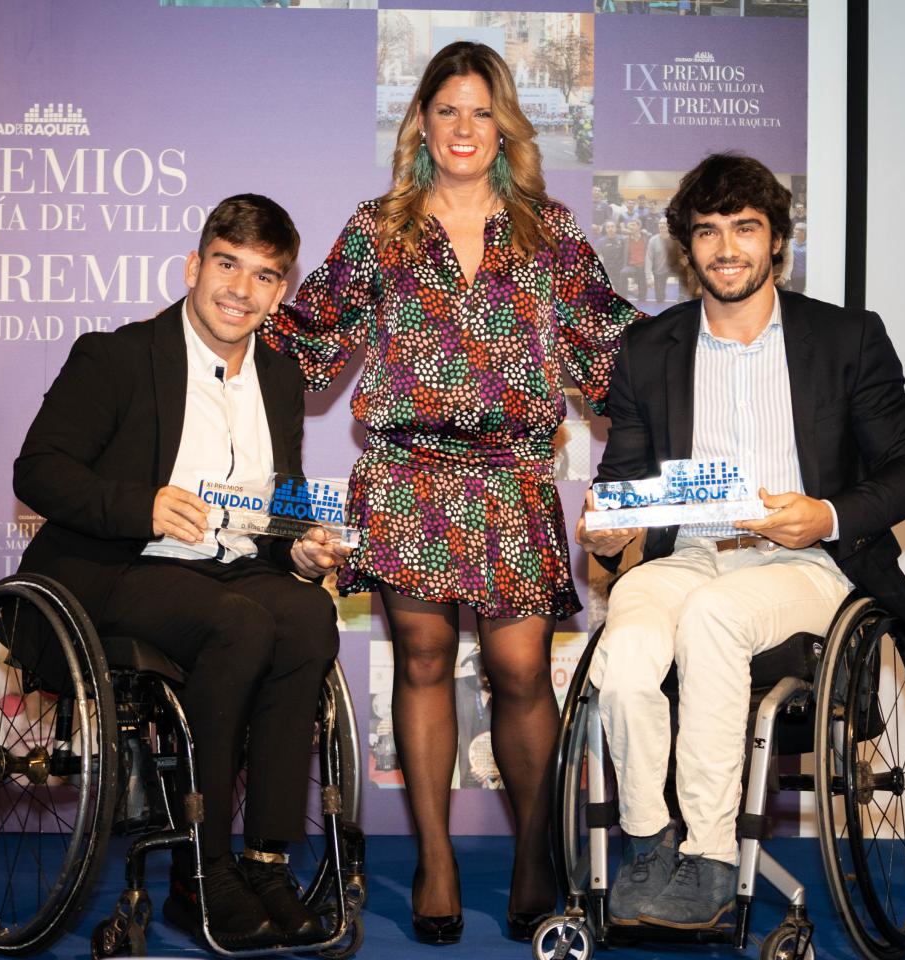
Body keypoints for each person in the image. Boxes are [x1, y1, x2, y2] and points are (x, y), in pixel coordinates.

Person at [261, 41, 640, 944]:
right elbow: (305, 343)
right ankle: (434, 859)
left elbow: (616, 354)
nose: (464, 129)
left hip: (511, 482)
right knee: (423, 664)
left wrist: (712, 363)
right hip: (407, 480)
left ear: (503, 126)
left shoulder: (548, 231)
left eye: (481, 112)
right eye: (447, 111)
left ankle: (533, 854)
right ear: (421, 124)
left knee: (519, 673)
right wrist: (208, 331)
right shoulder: (379, 229)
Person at [575, 152, 905, 930]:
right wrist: (607, 531)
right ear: (686, 248)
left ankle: (709, 857)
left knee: (716, 617)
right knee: (629, 642)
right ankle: (649, 841)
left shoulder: (846, 339)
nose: (727, 247)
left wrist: (828, 514)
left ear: (777, 241)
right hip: (689, 554)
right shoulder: (648, 350)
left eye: (745, 228)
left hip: (806, 562)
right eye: (707, 232)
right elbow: (625, 480)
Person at [14, 194, 346, 950]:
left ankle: (264, 860)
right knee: (240, 621)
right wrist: (143, 505)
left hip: (232, 570)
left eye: (265, 276)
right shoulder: (119, 356)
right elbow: (38, 470)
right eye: (227, 264)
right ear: (195, 266)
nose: (242, 289)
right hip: (125, 568)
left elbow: (279, 506)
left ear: (280, 290)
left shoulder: (283, 379)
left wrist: (299, 546)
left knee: (308, 614)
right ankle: (202, 868)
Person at [647, 219, 678, 304]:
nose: (662, 225)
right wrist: (649, 276)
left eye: (664, 223)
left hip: (673, 269)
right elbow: (648, 259)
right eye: (660, 223)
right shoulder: (653, 240)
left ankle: (681, 297)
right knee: (659, 299)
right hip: (659, 271)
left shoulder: (675, 239)